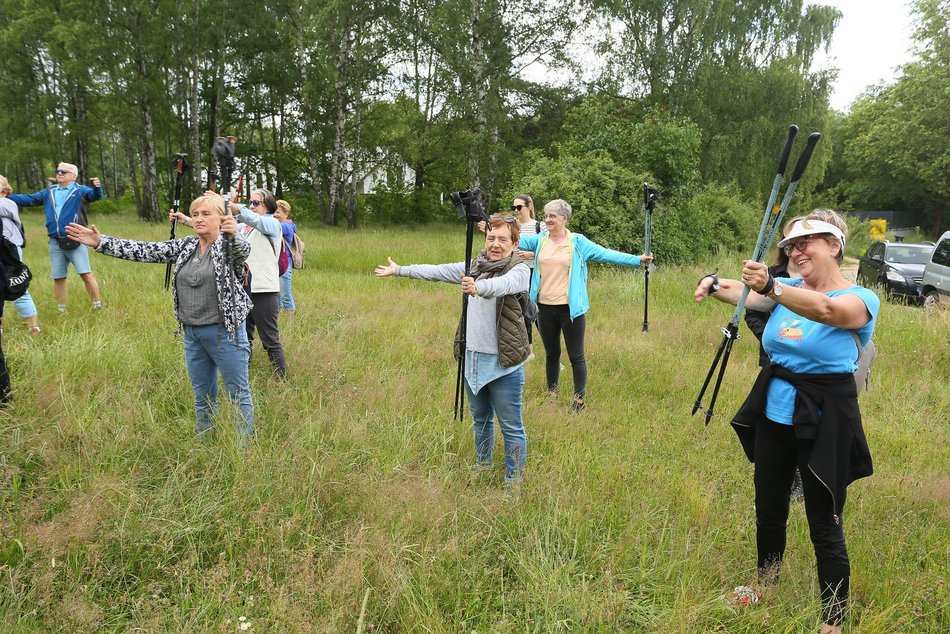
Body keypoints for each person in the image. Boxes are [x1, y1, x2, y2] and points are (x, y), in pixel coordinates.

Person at [693, 210, 879, 633]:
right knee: (770, 507)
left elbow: (827, 311)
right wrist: (714, 281)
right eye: (791, 245)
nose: (796, 251)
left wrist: (773, 285)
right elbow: (748, 294)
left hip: (826, 416)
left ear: (834, 246)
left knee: (824, 519)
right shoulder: (789, 287)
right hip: (775, 415)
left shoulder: (862, 297)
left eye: (806, 242)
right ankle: (766, 584)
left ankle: (833, 619)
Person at [65, 194, 255, 439]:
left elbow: (242, 251)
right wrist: (101, 242)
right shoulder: (186, 246)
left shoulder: (227, 246)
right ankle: (205, 439)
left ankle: (243, 448)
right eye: (195, 214)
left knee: (238, 393)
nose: (198, 219)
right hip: (192, 333)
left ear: (222, 219)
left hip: (225, 333)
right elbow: (145, 250)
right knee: (202, 393)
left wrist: (234, 235)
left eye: (206, 214)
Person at [375, 215, 530, 489]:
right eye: (491, 238)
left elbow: (502, 286)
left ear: (514, 244)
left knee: (511, 427)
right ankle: (483, 467)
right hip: (471, 359)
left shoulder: (519, 270)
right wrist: (400, 270)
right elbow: (438, 271)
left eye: (502, 239)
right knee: (481, 420)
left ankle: (513, 483)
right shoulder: (474, 265)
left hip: (504, 365)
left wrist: (477, 287)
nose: (495, 244)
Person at [518, 199, 653, 412]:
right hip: (544, 308)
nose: (548, 219)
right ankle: (551, 395)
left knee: (576, 356)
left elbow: (606, 254)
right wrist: (492, 228)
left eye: (552, 216)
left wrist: (637, 260)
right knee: (552, 353)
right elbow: (515, 240)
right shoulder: (540, 240)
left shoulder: (578, 242)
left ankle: (578, 400)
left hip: (570, 310)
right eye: (546, 215)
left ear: (565, 218)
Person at [8, 162, 104, 312]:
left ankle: (98, 306)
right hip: (55, 242)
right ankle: (61, 310)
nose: (59, 173)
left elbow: (95, 196)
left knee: (85, 274)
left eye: (63, 172)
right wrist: (6, 195)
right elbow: (28, 199)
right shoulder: (49, 191)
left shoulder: (81, 191)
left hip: (76, 239)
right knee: (58, 277)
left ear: (73, 176)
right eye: (58, 171)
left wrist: (97, 188)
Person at [0, 175, 41, 335]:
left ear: (4, 191)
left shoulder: (8, 203)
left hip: (9, 250)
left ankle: (33, 329)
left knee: (17, 286)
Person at [511, 195, 540, 359]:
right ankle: (529, 352)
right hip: (516, 273)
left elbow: (548, 251)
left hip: (534, 274)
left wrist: (530, 254)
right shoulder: (513, 226)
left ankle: (553, 353)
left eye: (519, 207)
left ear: (528, 207)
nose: (516, 211)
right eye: (513, 207)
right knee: (521, 312)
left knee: (536, 311)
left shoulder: (539, 226)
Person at [274, 199, 297, 314]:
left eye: (278, 212)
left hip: (285, 264)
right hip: (277, 263)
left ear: (286, 214)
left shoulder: (286, 226)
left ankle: (290, 318)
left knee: (285, 294)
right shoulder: (279, 224)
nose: (275, 215)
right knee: (277, 293)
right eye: (274, 212)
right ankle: (279, 316)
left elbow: (273, 227)